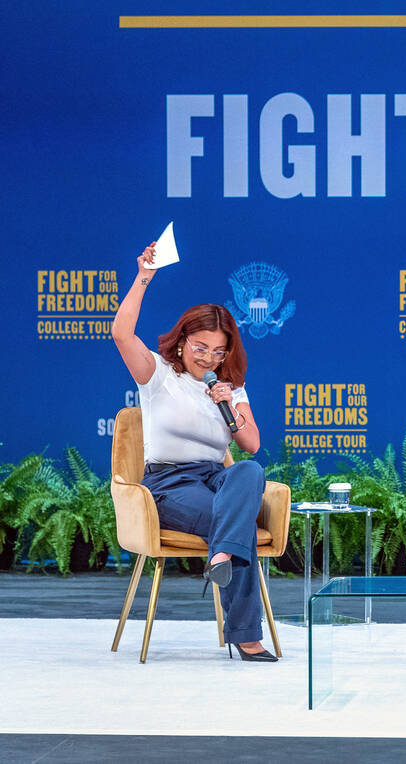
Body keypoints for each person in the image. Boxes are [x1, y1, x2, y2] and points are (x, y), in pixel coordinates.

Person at [112, 242, 277, 662]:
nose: (209, 357)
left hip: (216, 477)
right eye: (201, 347)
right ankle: (247, 636)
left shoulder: (228, 387)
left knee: (249, 472)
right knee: (236, 523)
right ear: (183, 340)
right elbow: (121, 333)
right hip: (169, 483)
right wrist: (144, 277)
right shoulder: (157, 374)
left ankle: (220, 555)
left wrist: (230, 406)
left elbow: (251, 445)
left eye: (218, 351)